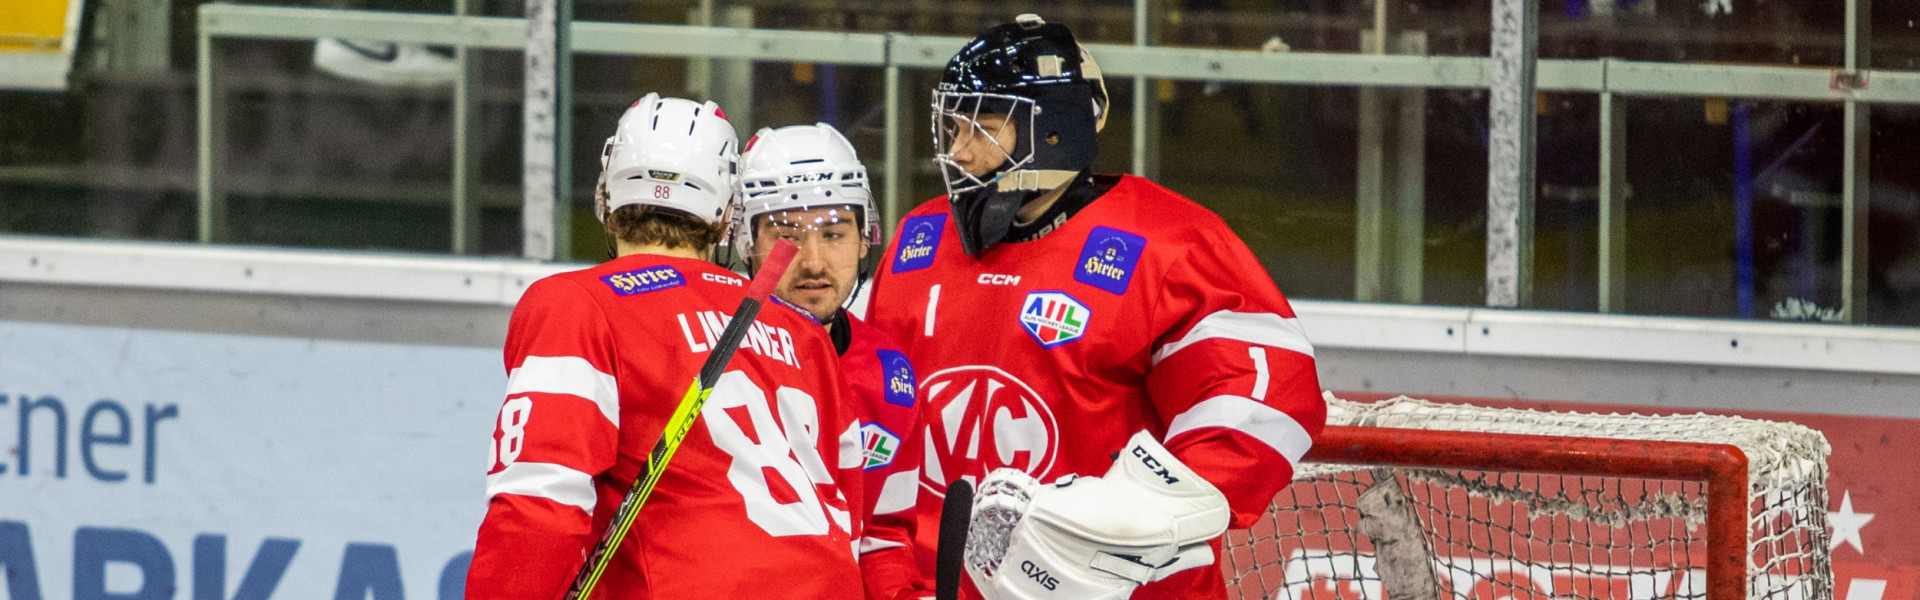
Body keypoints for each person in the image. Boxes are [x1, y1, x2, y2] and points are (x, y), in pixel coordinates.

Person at [863, 15, 1327, 600]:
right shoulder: (916, 242)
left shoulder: (1168, 245)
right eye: (952, 129)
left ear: (1052, 130)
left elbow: (1268, 394)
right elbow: (871, 420)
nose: (958, 152)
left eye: (980, 129)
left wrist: (1129, 521)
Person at [466, 94, 864, 600]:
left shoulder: (577, 304)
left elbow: (538, 508)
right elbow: (845, 512)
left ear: (606, 198)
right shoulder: (801, 332)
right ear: (725, 215)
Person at [734, 123, 932, 600]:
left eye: (835, 233)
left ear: (866, 239)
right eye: (786, 236)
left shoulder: (890, 375)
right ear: (745, 242)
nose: (814, 262)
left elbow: (882, 535)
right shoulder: (703, 351)